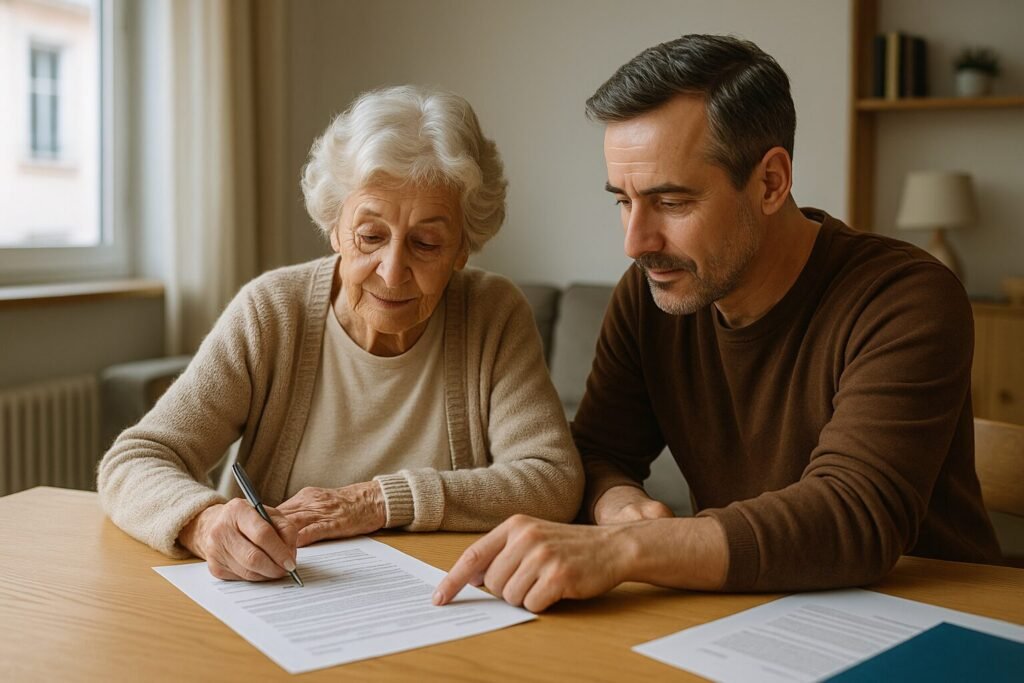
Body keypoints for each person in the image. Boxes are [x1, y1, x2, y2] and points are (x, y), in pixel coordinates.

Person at [434, 34, 1001, 613]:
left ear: (771, 182)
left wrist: (629, 547)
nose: (635, 242)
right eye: (623, 201)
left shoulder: (905, 296)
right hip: (749, 608)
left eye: (672, 202)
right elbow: (600, 452)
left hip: (933, 614)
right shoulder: (653, 292)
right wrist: (619, 503)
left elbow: (853, 514)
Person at [98, 85, 583, 582]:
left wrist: (375, 500)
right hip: (284, 600)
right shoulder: (273, 310)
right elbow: (135, 460)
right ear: (334, 227)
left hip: (442, 602)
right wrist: (203, 523)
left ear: (463, 249)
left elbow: (552, 480)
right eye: (370, 236)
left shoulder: (493, 314)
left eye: (427, 243)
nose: (392, 272)